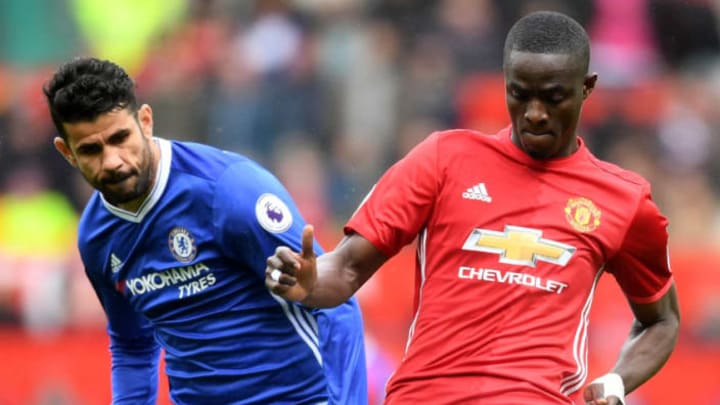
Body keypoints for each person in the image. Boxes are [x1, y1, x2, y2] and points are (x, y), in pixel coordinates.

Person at [266, 10, 680, 405]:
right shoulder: (443, 158)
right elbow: (348, 267)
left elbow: (661, 319)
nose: (535, 114)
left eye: (554, 97)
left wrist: (618, 379)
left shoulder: (623, 199)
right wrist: (308, 284)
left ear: (587, 87)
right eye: (520, 94)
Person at [43, 57, 368, 405]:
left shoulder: (228, 191)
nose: (112, 161)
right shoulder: (97, 236)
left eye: (120, 138)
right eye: (90, 150)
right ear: (67, 153)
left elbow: (335, 304)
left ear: (146, 122)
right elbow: (132, 345)